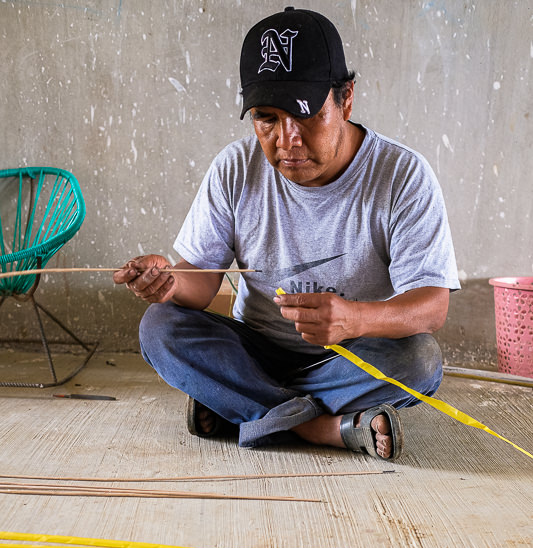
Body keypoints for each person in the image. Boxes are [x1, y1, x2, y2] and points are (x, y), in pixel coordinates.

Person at [114, 6, 460, 461]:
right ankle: (322, 427)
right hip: (255, 353)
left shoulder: (401, 175)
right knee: (161, 326)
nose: (287, 139)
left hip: (349, 358)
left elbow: (431, 306)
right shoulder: (235, 168)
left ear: (346, 99)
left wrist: (354, 320)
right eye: (267, 118)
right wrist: (170, 281)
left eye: (306, 115)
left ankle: (242, 405)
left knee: (419, 360)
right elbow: (199, 282)